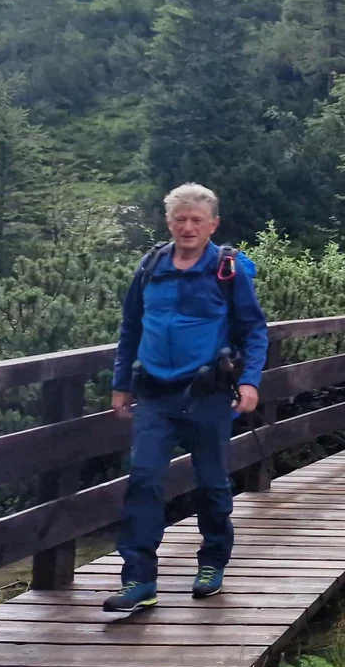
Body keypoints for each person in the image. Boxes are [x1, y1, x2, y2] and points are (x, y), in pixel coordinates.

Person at [106, 183, 269, 615]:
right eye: (180, 219)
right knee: (144, 480)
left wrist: (250, 382)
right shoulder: (150, 267)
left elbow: (254, 329)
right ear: (168, 222)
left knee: (211, 482)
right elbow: (130, 328)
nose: (188, 227)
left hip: (208, 394)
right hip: (154, 394)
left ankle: (212, 562)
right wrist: (121, 384)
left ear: (213, 224)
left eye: (197, 220)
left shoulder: (227, 270)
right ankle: (139, 579)